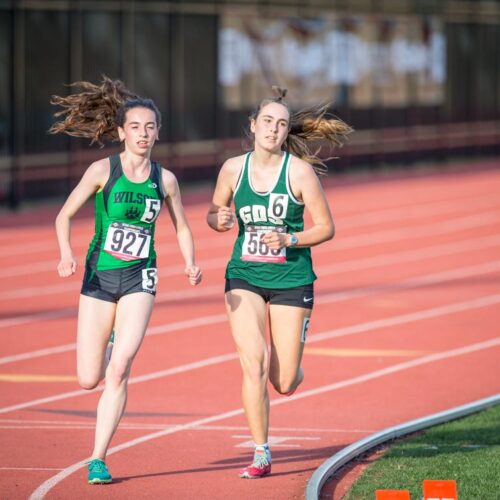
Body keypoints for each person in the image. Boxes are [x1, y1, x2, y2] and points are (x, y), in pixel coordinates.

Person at [51, 77, 202, 484]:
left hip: (141, 278)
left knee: (118, 372)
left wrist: (190, 262)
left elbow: (183, 227)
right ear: (121, 132)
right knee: (88, 379)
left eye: (150, 127)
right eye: (135, 126)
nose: (143, 134)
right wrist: (66, 253)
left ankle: (98, 457)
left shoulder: (164, 179)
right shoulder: (103, 170)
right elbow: (63, 215)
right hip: (100, 278)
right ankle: (111, 343)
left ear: (158, 133)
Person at [207, 87, 352, 478]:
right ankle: (260, 452)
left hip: (292, 276)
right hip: (244, 275)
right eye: (267, 121)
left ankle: (293, 363)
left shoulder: (299, 172)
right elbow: (215, 211)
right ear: (253, 126)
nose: (273, 129)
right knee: (252, 365)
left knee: (283, 380)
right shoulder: (233, 169)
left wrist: (290, 238)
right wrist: (218, 220)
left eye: (281, 123)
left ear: (287, 132)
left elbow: (326, 228)